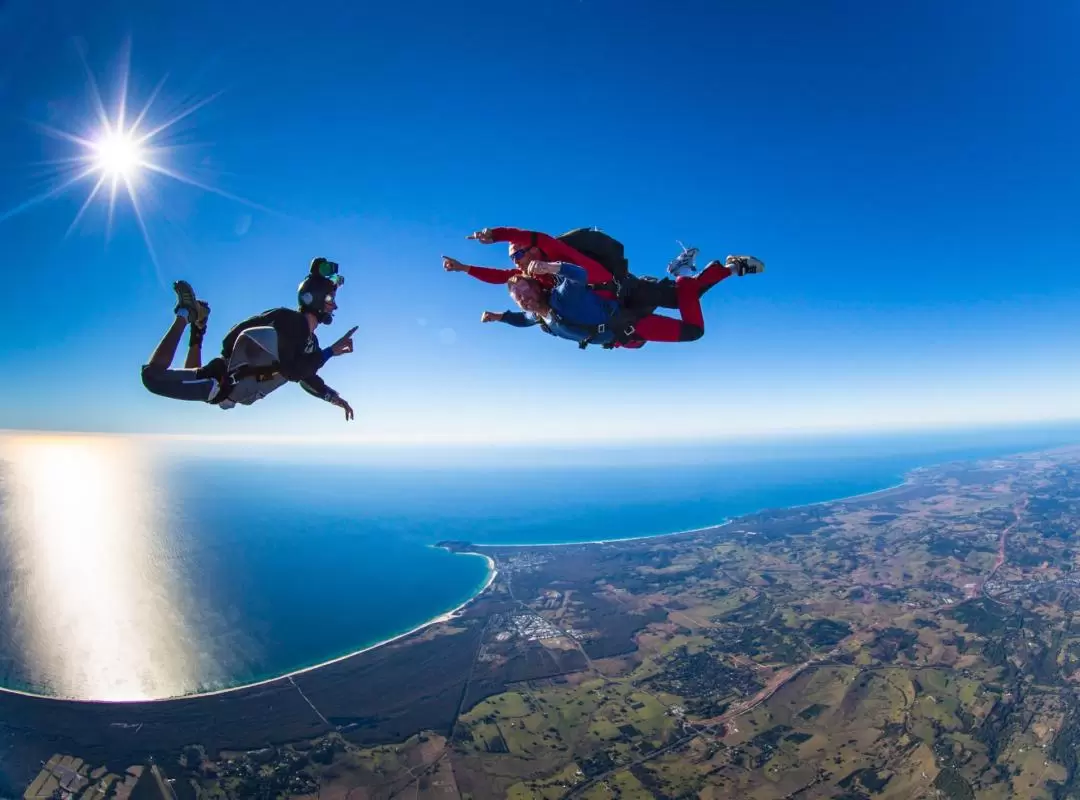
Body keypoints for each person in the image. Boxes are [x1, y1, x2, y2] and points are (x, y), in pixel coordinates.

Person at [139, 258, 357, 419]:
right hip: (221, 382)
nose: (334, 305)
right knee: (152, 378)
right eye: (330, 299)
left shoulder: (308, 343)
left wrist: (333, 397)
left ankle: (199, 325)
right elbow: (293, 371)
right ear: (314, 298)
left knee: (193, 370)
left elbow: (306, 376)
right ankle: (185, 314)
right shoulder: (292, 322)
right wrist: (331, 352)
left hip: (224, 386)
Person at [485, 253, 759, 349]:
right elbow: (522, 319)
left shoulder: (562, 296)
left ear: (539, 288)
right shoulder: (539, 317)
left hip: (631, 325)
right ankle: (729, 268)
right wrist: (500, 317)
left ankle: (683, 271)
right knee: (686, 296)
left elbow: (579, 275)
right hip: (624, 337)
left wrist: (550, 268)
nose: (525, 299)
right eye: (519, 297)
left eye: (527, 291)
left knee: (693, 331)